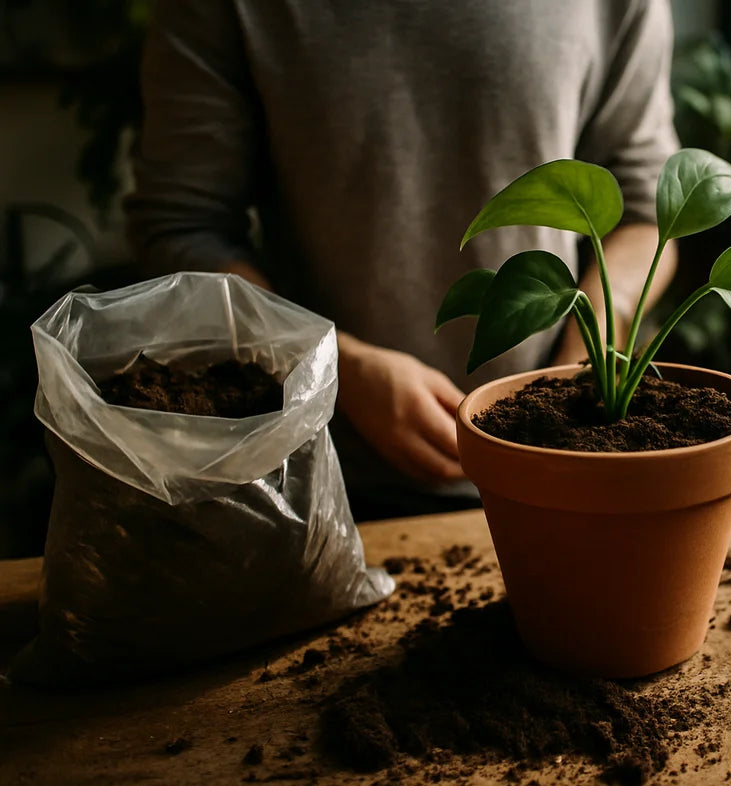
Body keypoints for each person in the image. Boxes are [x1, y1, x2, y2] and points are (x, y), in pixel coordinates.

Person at [125, 1, 680, 517]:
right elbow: (180, 228)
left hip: (561, 472)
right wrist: (333, 367)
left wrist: (584, 364)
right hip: (311, 485)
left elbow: (644, 214)